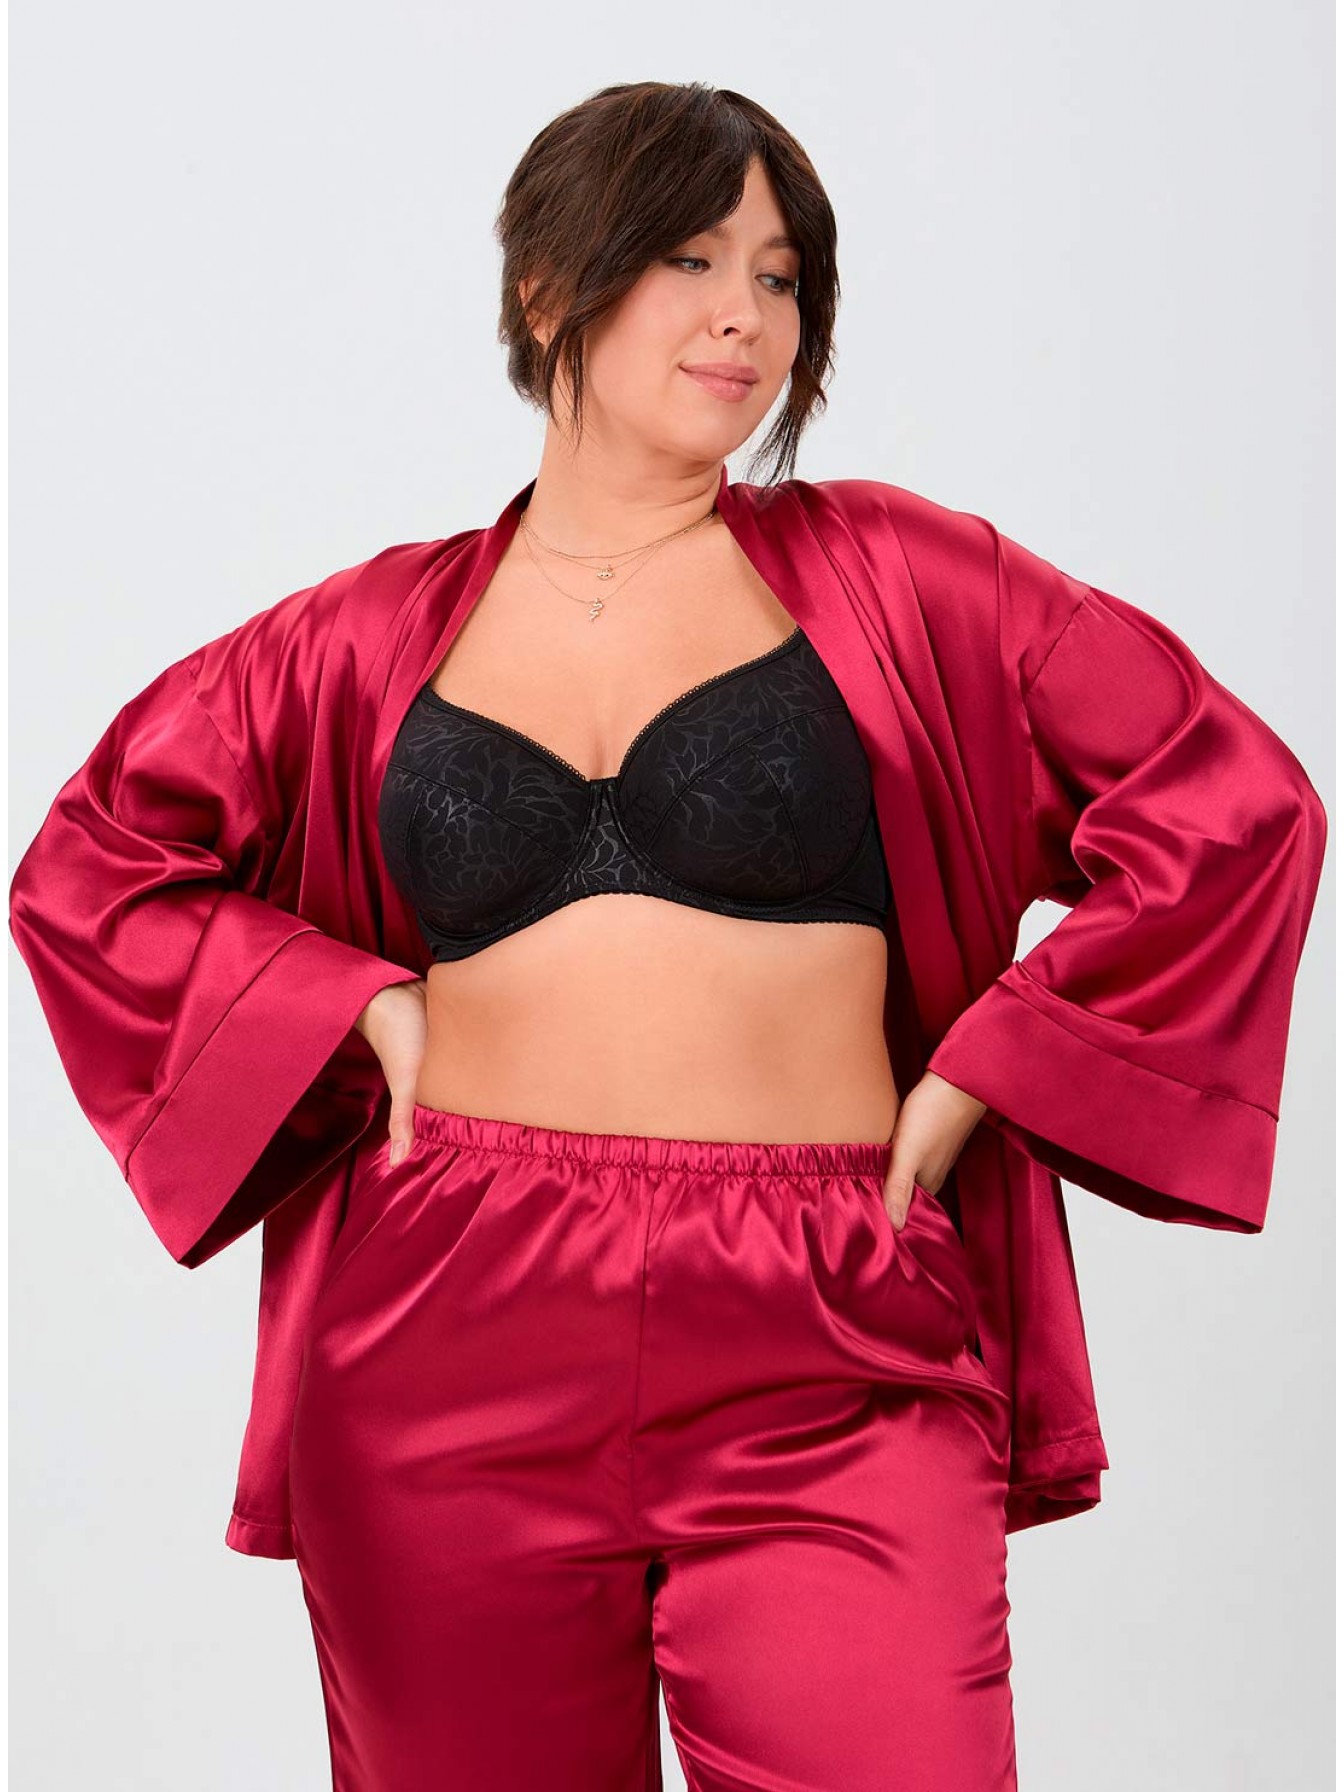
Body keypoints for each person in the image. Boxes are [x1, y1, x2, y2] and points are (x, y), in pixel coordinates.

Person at [8, 81, 1327, 1792]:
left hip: (829, 1319)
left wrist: (994, 1063)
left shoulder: (903, 578)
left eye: (781, 277)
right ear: (549, 283)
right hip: (447, 1320)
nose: (744, 317)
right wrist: (352, 1006)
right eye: (692, 259)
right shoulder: (359, 637)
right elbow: (92, 863)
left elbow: (1229, 798)